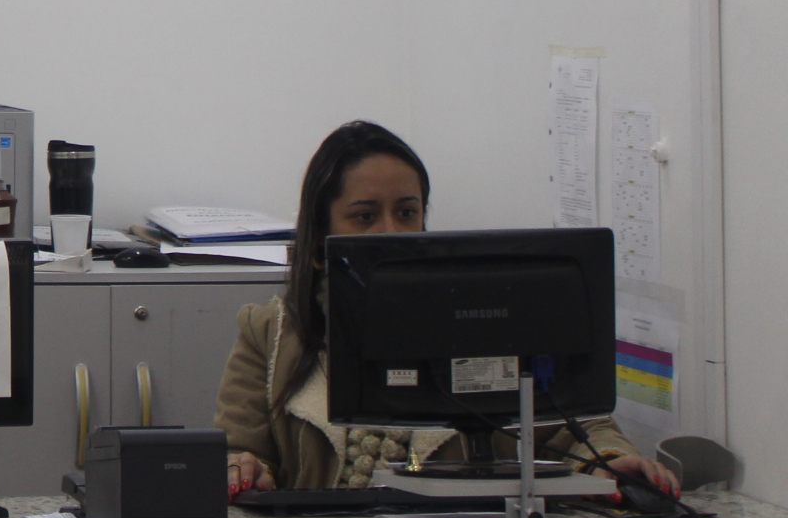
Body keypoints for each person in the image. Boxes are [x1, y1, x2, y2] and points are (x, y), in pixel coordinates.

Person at [217, 120, 677, 496]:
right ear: (320, 240)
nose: (392, 234)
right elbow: (234, 453)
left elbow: (581, 426)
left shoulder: (488, 319)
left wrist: (611, 462)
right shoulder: (270, 334)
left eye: (407, 212)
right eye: (365, 216)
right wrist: (242, 469)